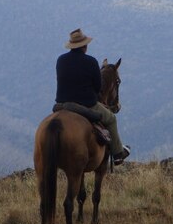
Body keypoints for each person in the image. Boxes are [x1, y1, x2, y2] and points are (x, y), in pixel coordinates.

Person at [55, 28, 130, 164]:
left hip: (62, 104)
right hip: (86, 104)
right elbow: (98, 88)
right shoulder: (91, 62)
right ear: (84, 46)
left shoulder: (61, 60)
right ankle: (118, 153)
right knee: (111, 119)